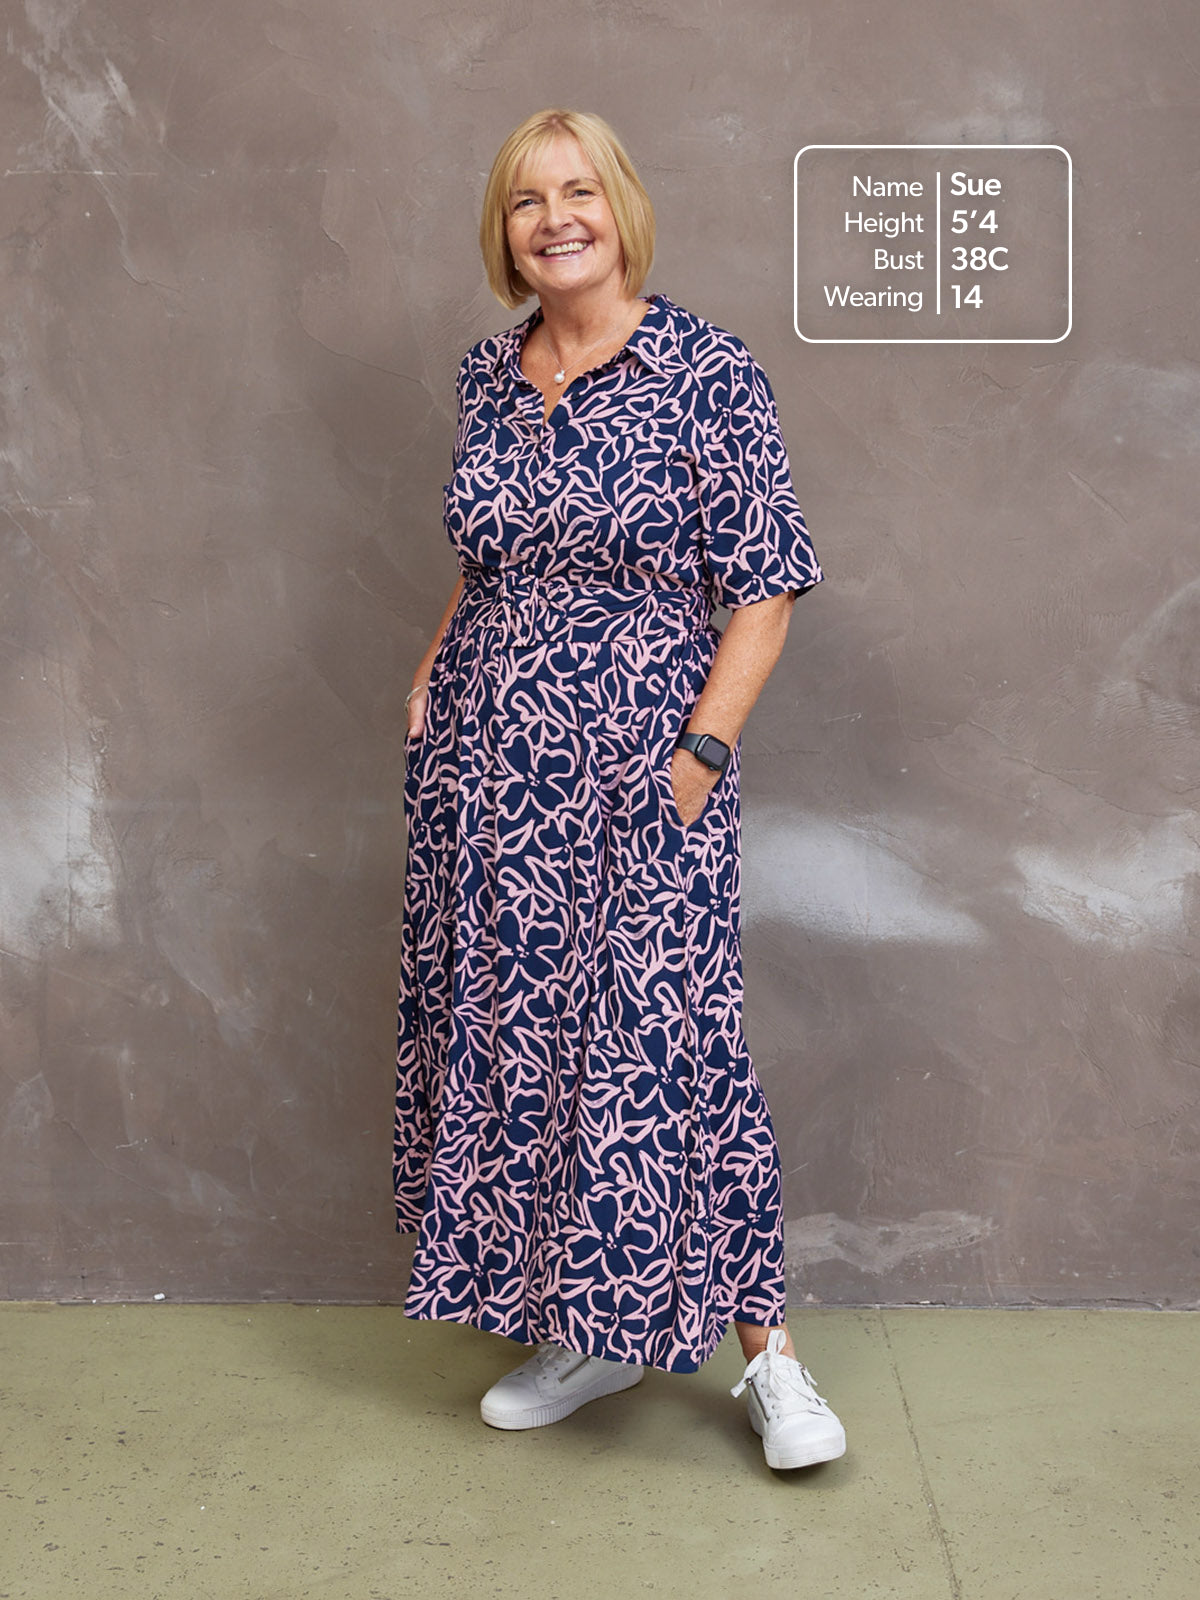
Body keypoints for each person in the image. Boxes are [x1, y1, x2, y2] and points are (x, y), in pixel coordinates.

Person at [394, 108, 846, 1471]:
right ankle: (588, 1331)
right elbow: (490, 557)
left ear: (622, 209)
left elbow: (764, 588)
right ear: (505, 230)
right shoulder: (489, 375)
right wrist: (432, 670)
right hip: (489, 774)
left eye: (579, 191)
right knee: (531, 1047)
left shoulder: (707, 369)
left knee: (673, 1047)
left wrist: (698, 760)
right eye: (527, 200)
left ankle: (771, 1365)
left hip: (642, 765)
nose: (556, 220)